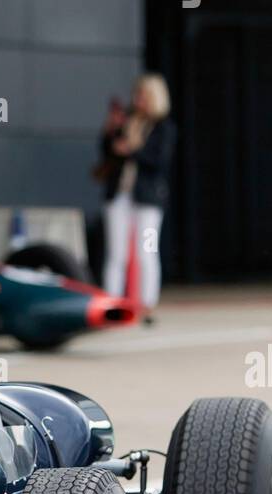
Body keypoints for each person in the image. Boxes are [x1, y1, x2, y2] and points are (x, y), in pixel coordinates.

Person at [100, 74, 176, 319]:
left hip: (148, 199)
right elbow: (107, 153)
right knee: (116, 253)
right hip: (120, 195)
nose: (138, 100)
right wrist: (109, 133)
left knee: (147, 251)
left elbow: (159, 161)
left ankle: (147, 303)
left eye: (143, 96)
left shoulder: (164, 128)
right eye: (137, 95)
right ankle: (112, 302)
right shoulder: (127, 122)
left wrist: (132, 150)